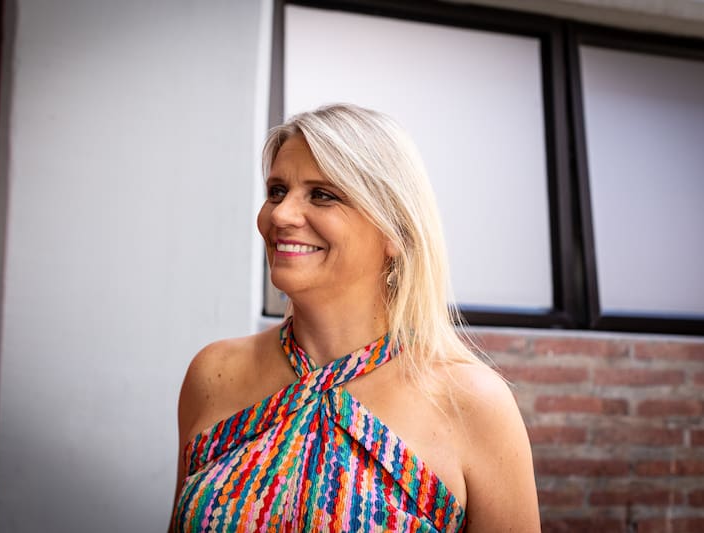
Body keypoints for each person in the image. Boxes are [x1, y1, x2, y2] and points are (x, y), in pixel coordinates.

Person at [170, 104, 540, 532]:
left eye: (322, 194)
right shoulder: (213, 374)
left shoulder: (472, 403)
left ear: (394, 231)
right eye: (276, 191)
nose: (280, 215)